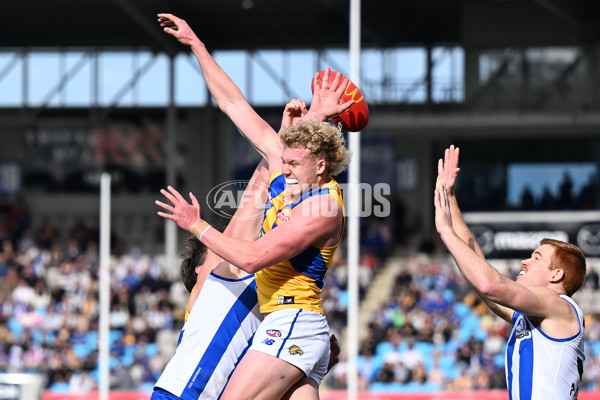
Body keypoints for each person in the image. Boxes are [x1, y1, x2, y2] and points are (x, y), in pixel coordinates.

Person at [156, 13, 353, 400]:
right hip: (286, 330)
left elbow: (253, 254)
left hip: (292, 325)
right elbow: (235, 107)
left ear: (319, 163)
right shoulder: (289, 179)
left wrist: (197, 225)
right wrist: (198, 46)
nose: (284, 164)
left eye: (294, 161)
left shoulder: (319, 205)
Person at [433, 145, 586, 400]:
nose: (525, 261)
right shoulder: (537, 316)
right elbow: (478, 269)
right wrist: (449, 197)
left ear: (556, 275)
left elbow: (490, 285)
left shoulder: (558, 305)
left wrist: (446, 232)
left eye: (536, 258)